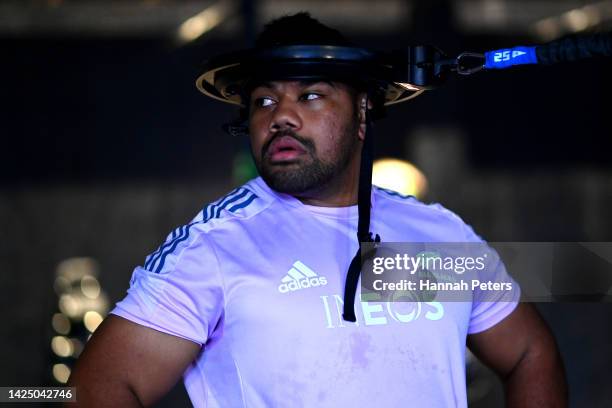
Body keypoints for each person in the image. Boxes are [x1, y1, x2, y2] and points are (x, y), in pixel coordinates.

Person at [69, 13, 567, 407]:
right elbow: (99, 388)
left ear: (363, 113)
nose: (281, 116)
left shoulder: (438, 232)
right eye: (263, 101)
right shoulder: (213, 246)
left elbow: (529, 353)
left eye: (310, 95)